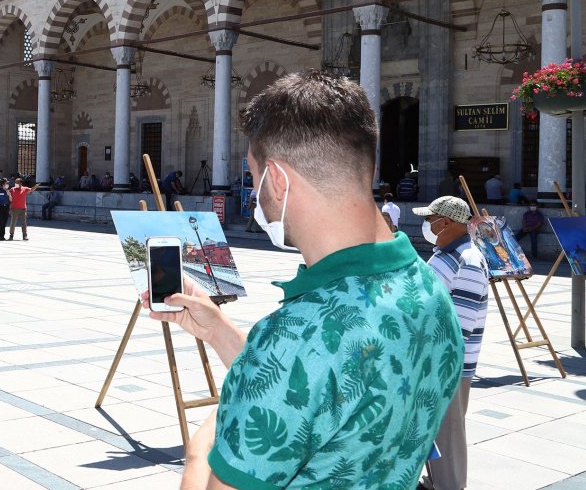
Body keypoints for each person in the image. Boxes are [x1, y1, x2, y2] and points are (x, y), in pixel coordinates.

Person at [148, 71, 461, 489]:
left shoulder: (294, 335)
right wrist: (221, 333)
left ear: (276, 181)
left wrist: (201, 447)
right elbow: (318, 386)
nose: (255, 194)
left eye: (253, 177)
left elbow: (300, 367)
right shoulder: (428, 287)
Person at [413, 196, 489, 490]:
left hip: (447, 365)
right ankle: (436, 482)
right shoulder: (445, 253)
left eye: (429, 220)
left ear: (446, 223)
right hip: (432, 359)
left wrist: (437, 364)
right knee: (434, 428)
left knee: (448, 433)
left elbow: (460, 325)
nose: (426, 225)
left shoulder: (468, 260)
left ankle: (450, 486)